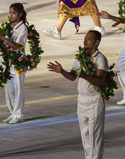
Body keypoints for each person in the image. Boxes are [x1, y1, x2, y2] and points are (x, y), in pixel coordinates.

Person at [47, 30, 108, 159]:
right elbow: (73, 76)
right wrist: (61, 71)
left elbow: (100, 81)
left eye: (89, 39)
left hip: (94, 101)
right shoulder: (81, 57)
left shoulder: (100, 59)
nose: (85, 41)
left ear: (96, 42)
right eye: (85, 38)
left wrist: (84, 75)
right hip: (82, 100)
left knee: (94, 138)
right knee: (85, 135)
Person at [0, 3, 28, 124]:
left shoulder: (23, 29)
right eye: (10, 13)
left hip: (18, 63)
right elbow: (6, 46)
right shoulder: (11, 27)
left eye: (13, 13)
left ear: (20, 14)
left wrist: (3, 38)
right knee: (9, 90)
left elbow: (17, 47)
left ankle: (19, 114)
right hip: (8, 63)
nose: (11, 15)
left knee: (18, 90)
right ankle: (13, 113)